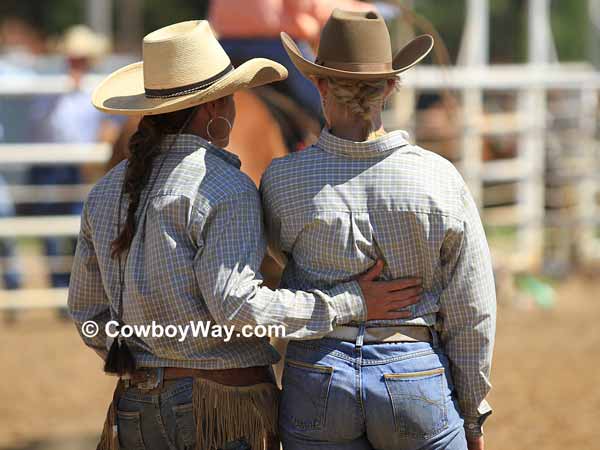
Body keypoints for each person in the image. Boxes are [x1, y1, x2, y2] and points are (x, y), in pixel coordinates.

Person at [68, 20, 422, 450]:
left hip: (134, 405)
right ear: (213, 110)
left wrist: (147, 355)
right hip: (219, 407)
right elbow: (237, 306)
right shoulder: (224, 188)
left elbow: (87, 315)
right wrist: (350, 301)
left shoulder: (105, 193)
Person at [260, 10, 496, 450]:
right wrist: (473, 412)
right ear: (390, 86)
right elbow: (472, 308)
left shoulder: (282, 179)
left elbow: (274, 258)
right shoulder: (439, 178)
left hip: (319, 369)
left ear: (320, 84)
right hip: (412, 364)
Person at [28, 25, 118, 292]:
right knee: (52, 232)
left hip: (80, 167)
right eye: (74, 57)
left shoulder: (95, 89)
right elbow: (40, 127)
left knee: (80, 230)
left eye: (81, 58)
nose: (77, 62)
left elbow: (108, 126)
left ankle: (76, 289)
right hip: (49, 166)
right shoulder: (49, 88)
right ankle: (59, 289)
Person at [209, 0, 375, 123]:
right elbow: (305, 5)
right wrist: (363, 11)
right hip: (275, 45)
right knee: (325, 101)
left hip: (226, 46)